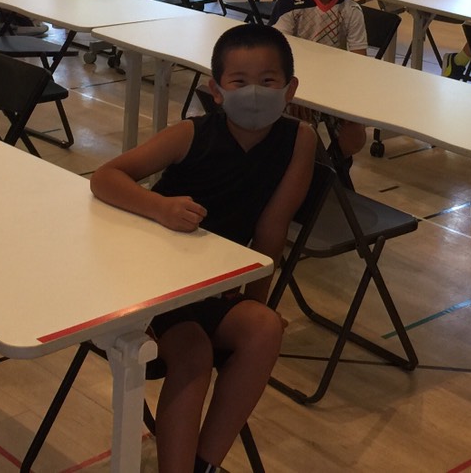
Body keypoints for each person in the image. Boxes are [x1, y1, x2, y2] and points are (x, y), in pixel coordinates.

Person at [90, 24, 314, 473]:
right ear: (216, 90)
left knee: (265, 328)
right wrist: (160, 207)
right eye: (239, 81)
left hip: (212, 286)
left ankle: (202, 465)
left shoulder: (299, 140)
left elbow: (271, 231)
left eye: (268, 81)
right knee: (193, 353)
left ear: (289, 89)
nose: (254, 93)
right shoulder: (190, 134)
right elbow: (105, 178)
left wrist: (256, 303)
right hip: (154, 285)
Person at [268, 0, 368, 158]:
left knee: (355, 137)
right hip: (295, 82)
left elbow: (359, 61)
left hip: (334, 85)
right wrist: (297, 91)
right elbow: (277, 52)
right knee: (299, 129)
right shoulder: (290, 3)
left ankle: (329, 165)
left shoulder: (351, 10)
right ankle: (303, 163)